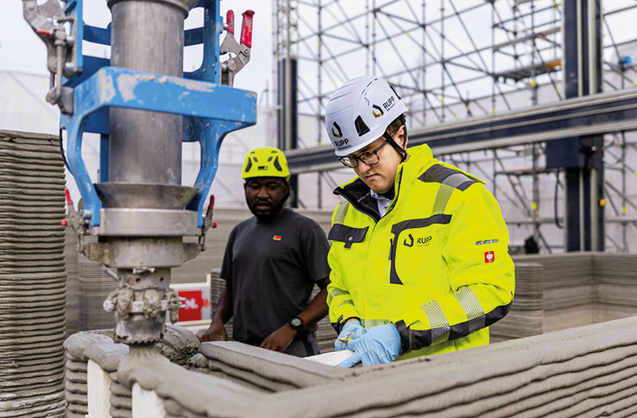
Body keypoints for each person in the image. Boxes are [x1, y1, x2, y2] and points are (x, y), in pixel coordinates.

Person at [323, 75, 515, 368]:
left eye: (370, 153)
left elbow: (489, 291)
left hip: (446, 380)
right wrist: (347, 322)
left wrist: (403, 335)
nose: (362, 168)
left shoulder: (460, 197)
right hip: (371, 380)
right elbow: (338, 288)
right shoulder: (346, 213)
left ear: (400, 137)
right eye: (351, 159)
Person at [201, 147, 331, 357]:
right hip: (244, 348)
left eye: (271, 186)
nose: (262, 194)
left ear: (286, 190)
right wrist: (217, 322)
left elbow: (332, 290)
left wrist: (292, 327)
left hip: (292, 347)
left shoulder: (305, 230)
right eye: (255, 186)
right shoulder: (239, 232)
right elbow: (231, 287)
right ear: (245, 189)